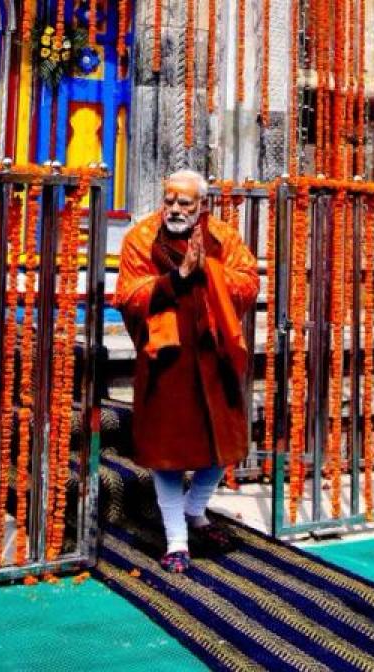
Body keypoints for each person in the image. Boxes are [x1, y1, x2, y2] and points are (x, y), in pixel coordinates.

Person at [113, 170, 259, 572]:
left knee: (223, 443)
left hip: (215, 354)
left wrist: (209, 271)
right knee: (168, 454)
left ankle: (196, 511)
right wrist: (174, 279)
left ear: (202, 205)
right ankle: (177, 539)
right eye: (170, 200)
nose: (175, 208)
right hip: (167, 359)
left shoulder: (223, 238)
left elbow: (249, 283)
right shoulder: (141, 238)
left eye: (185, 203)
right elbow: (127, 295)